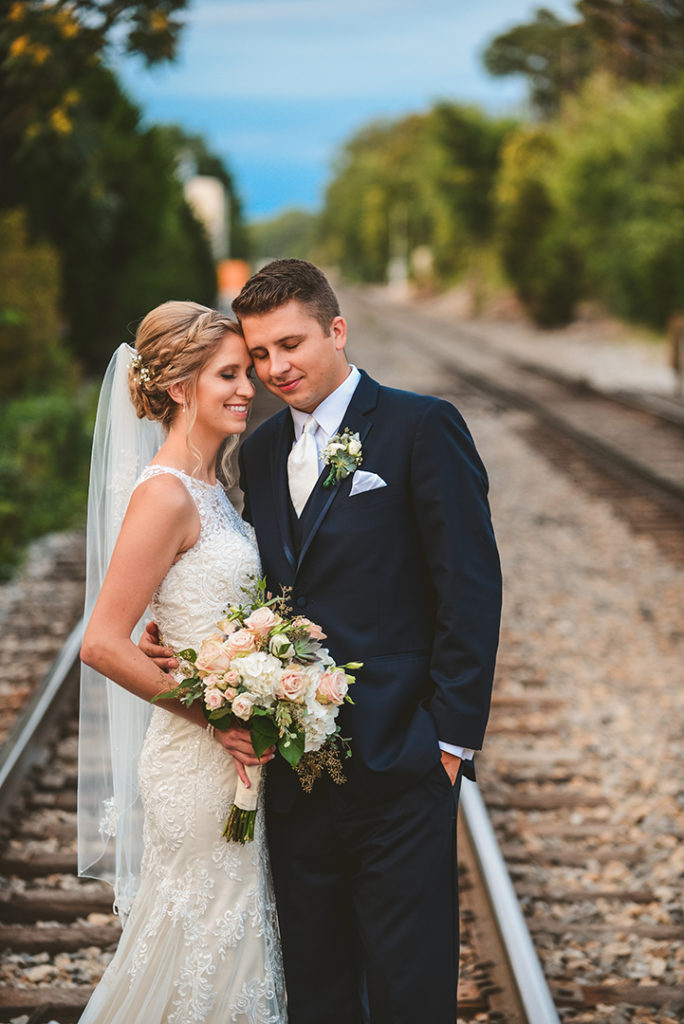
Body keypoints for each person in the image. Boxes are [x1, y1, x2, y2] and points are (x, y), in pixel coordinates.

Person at [144, 260, 502, 1024]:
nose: (275, 369)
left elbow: (469, 588)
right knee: (318, 987)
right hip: (295, 775)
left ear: (337, 330)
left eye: (290, 345)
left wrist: (450, 745)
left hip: (402, 763)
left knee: (410, 991)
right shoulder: (262, 451)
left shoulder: (420, 426)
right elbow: (265, 585)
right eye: (260, 355)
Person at [77, 301, 286, 1024]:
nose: (246, 389)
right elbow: (101, 640)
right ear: (177, 389)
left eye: (246, 373)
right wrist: (216, 713)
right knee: (210, 942)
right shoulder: (165, 495)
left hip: (228, 757)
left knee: (226, 946)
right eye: (227, 375)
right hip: (198, 759)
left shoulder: (214, 490)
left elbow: (175, 611)